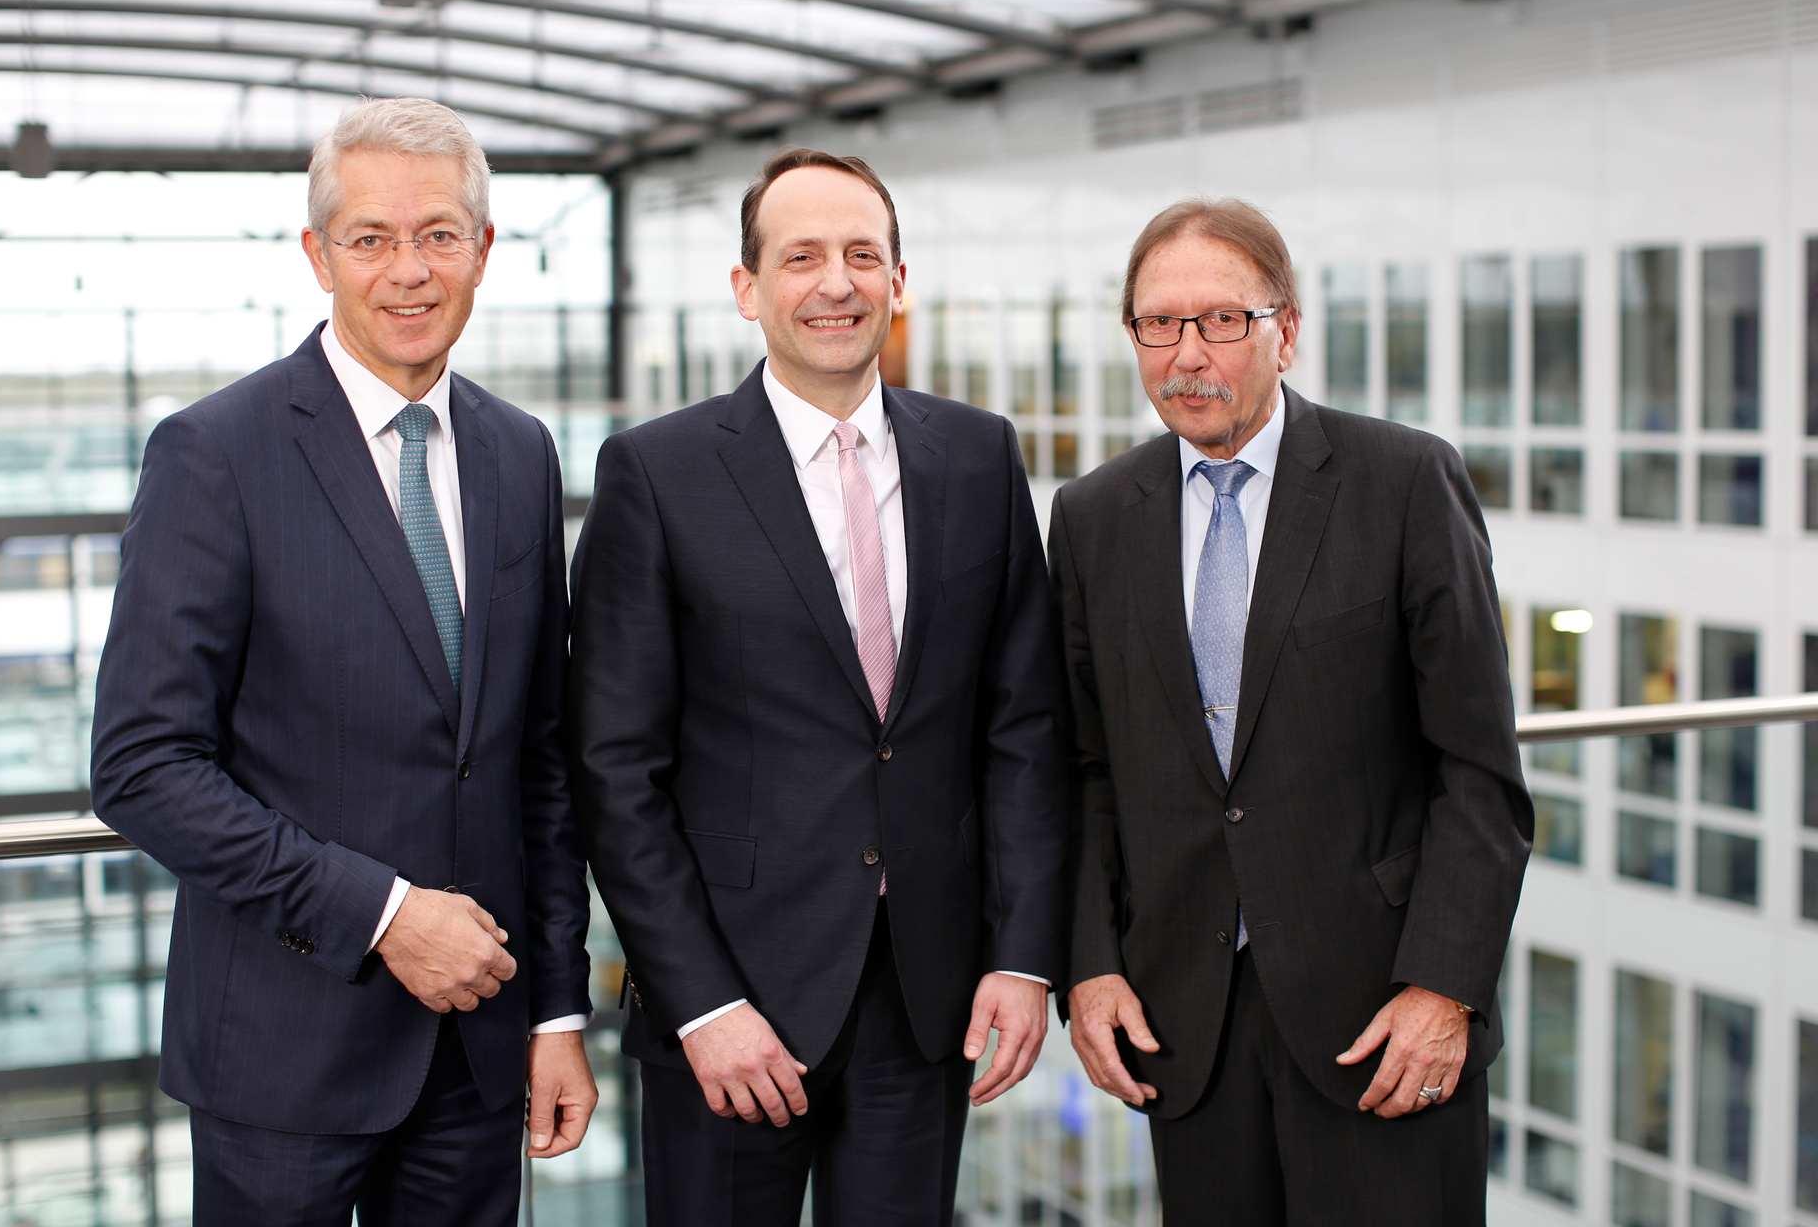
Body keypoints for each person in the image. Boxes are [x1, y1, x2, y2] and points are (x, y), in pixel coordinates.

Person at [90, 96, 596, 1226]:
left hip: (479, 1057)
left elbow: (540, 760)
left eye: (438, 235)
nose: (408, 270)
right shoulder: (214, 453)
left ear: (484, 251)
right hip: (283, 1060)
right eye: (370, 238)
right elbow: (140, 764)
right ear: (318, 255)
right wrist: (382, 912)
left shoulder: (521, 454)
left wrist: (559, 1011)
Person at [568, 147, 1066, 1225]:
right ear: (748, 288)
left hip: (924, 996)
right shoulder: (655, 473)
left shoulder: (980, 456)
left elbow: (1022, 727)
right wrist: (700, 1000)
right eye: (801, 256)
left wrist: (1023, 955)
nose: (835, 282)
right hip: (731, 1003)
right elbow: (614, 768)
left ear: (899, 280)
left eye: (861, 254)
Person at [1050, 198, 1531, 1224]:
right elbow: (1085, 769)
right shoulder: (1094, 516)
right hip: (1187, 1022)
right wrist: (1090, 966)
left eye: (1222, 320)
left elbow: (1479, 772)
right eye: (1158, 323)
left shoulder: (1403, 480)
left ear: (1287, 330)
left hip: (1384, 1017)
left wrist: (1444, 986)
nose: (1187, 354)